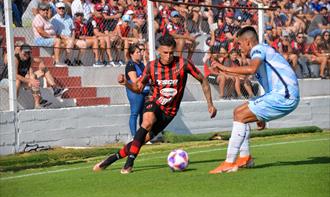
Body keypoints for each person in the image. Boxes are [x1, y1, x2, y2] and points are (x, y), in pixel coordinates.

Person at [93, 34, 217, 174]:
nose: (169, 56)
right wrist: (126, 83)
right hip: (154, 102)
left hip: (169, 112)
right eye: (165, 53)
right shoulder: (151, 66)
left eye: (171, 53)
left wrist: (210, 104)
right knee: (147, 122)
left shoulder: (183, 64)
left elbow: (203, 80)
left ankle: (109, 160)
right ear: (159, 51)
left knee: (141, 140)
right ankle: (129, 164)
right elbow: (138, 88)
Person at [209, 26, 300, 174]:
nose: (239, 48)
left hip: (284, 95)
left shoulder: (257, 49)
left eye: (239, 44)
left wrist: (223, 68)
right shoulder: (263, 50)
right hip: (281, 94)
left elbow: (251, 69)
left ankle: (229, 163)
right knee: (239, 114)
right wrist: (261, 112)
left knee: (239, 114)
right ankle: (245, 158)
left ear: (248, 42)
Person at [125, 44, 149, 140]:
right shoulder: (131, 65)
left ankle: (142, 136)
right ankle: (134, 137)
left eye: (140, 52)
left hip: (144, 91)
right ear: (131, 54)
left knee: (143, 114)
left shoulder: (141, 64)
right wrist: (144, 77)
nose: (140, 54)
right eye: (137, 52)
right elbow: (134, 80)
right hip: (135, 92)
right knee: (134, 113)